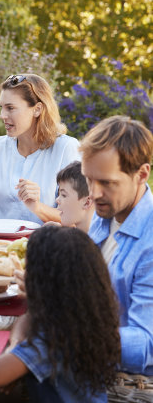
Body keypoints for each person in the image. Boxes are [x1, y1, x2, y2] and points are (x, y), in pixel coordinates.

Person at [0, 225, 121, 402]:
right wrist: (14, 346)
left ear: (45, 284)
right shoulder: (83, 326)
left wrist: (13, 356)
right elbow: (26, 318)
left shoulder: (50, 342)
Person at [0, 74, 80, 224]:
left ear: (37, 109)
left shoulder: (66, 149)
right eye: (2, 108)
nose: (2, 115)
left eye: (10, 108)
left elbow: (76, 217)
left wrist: (37, 207)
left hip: (45, 245)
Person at [81, 115, 153, 375]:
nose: (93, 193)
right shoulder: (107, 216)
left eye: (107, 183)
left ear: (141, 174)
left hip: (129, 381)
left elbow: (146, 344)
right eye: (89, 179)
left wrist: (69, 337)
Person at [55, 161, 94, 232]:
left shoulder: (98, 242)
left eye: (64, 195)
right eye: (59, 194)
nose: (57, 200)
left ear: (87, 202)